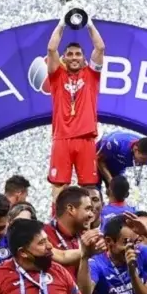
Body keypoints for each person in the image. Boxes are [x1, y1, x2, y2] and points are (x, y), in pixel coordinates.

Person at [43, 16, 106, 199]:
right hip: (62, 137)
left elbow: (100, 47)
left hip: (86, 138)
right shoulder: (57, 75)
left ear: (84, 58)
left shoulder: (91, 75)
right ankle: (57, 222)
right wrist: (62, 23)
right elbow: (51, 48)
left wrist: (89, 23)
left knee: (89, 186)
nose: (74, 57)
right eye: (69, 54)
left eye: (78, 54)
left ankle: (91, 222)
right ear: (64, 58)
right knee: (59, 185)